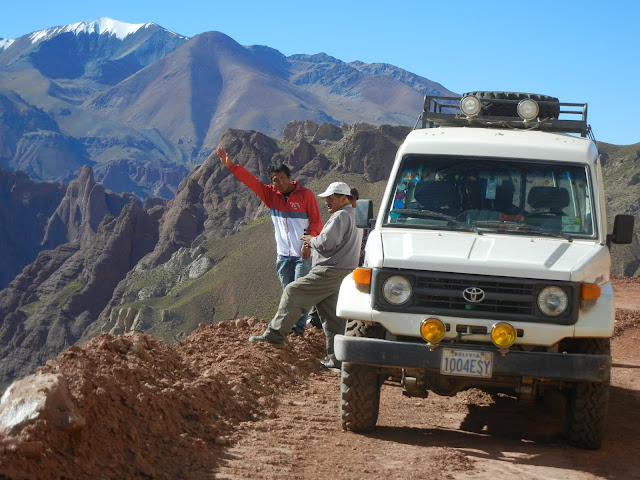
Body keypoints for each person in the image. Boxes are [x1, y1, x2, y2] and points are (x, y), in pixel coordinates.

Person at [249, 181, 361, 370]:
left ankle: (275, 336)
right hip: (344, 272)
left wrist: (312, 240)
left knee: (293, 291)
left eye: (330, 198)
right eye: (326, 199)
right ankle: (339, 361)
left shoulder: (341, 216)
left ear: (343, 198)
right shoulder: (355, 215)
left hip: (330, 270)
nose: (327, 202)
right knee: (332, 318)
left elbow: (327, 242)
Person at [216, 146, 322, 336]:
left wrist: (308, 244)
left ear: (289, 177)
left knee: (298, 292)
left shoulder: (306, 196)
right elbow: (251, 182)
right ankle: (290, 326)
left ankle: (297, 330)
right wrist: (231, 166)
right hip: (282, 255)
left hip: (302, 253)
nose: (279, 182)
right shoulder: (271, 196)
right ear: (271, 183)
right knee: (287, 293)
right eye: (275, 179)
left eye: (282, 177)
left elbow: (315, 222)